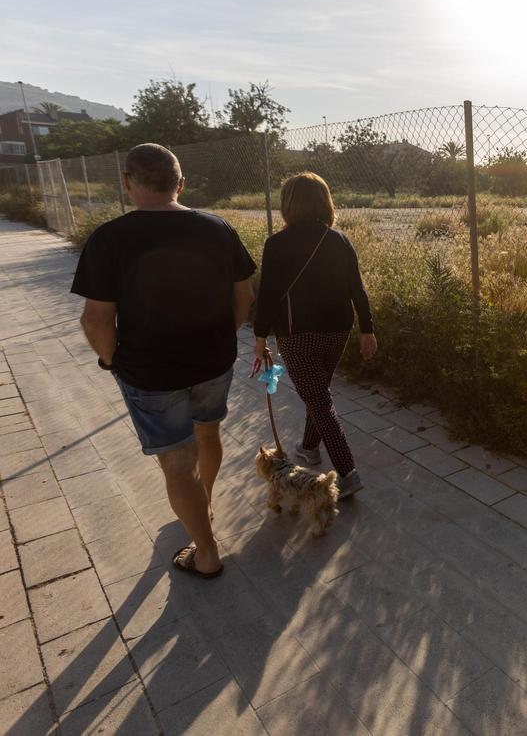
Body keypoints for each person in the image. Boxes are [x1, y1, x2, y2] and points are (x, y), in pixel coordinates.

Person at [72, 143, 256, 578]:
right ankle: (203, 503)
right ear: (181, 184)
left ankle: (206, 553)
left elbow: (96, 320)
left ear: (127, 183)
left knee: (176, 461)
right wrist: (219, 339)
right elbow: (244, 296)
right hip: (213, 362)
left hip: (150, 372)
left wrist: (112, 361)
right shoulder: (218, 228)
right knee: (207, 433)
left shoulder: (109, 238)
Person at [253, 172, 376, 499]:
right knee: (318, 391)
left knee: (319, 399)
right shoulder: (338, 240)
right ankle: (309, 448)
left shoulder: (277, 244)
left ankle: (348, 473)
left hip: (297, 335)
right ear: (325, 201)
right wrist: (368, 329)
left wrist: (260, 335)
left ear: (287, 204)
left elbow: (267, 295)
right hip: (339, 329)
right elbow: (357, 290)